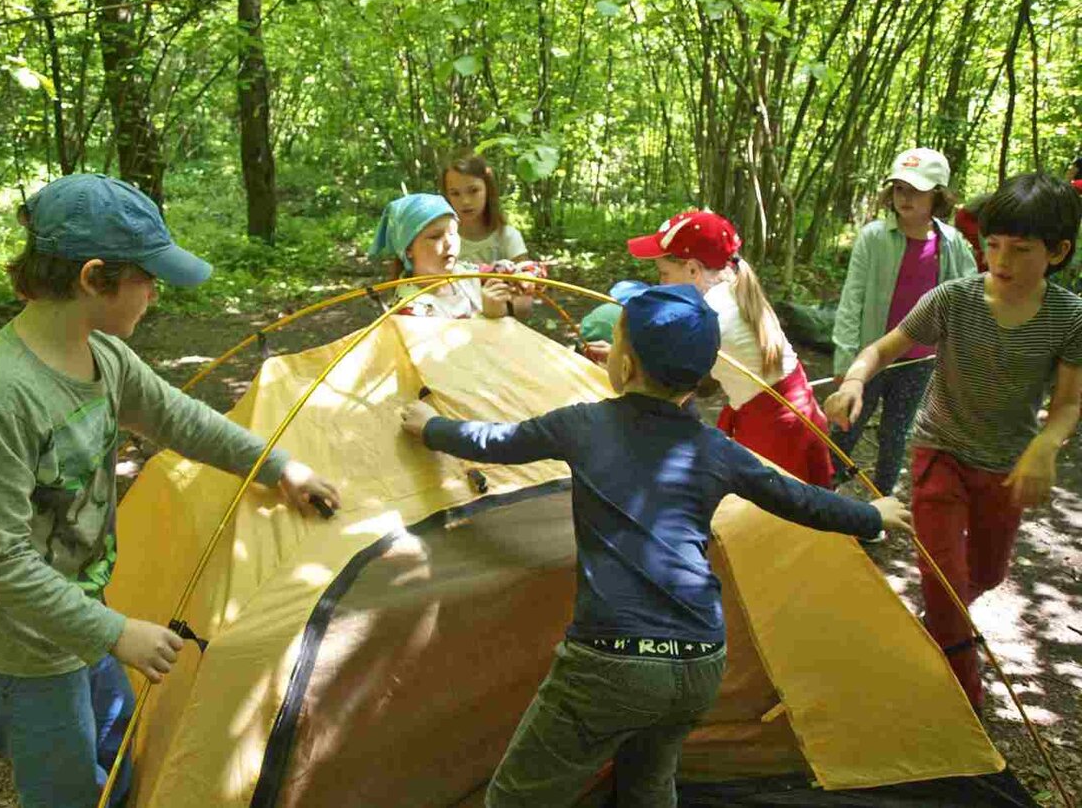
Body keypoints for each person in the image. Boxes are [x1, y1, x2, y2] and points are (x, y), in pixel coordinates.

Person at [400, 283, 914, 808]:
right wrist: (869, 515)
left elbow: (495, 442)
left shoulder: (583, 425)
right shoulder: (715, 449)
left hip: (611, 660)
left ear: (623, 367)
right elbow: (796, 498)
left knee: (516, 798)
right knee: (648, 785)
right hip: (699, 660)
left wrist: (429, 426)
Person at [0, 174, 341, 808]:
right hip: (14, 641)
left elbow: (179, 418)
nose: (155, 296)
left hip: (75, 614)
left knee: (116, 737)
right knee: (67, 786)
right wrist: (116, 632)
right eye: (148, 279)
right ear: (94, 278)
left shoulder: (102, 355)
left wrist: (277, 467)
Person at [825, 172, 1082, 710]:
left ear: (1057, 252)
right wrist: (853, 379)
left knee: (985, 574)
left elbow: (1068, 404)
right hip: (939, 451)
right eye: (992, 245)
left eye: (1020, 249)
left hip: (1003, 466)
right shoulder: (953, 299)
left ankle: (937, 624)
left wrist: (1045, 446)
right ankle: (961, 699)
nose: (1001, 261)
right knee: (943, 575)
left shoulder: (1070, 317)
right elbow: (883, 349)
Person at [584, 211, 836, 488]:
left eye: (664, 273)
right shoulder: (731, 286)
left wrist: (620, 360)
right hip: (784, 412)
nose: (660, 284)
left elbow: (667, 381)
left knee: (772, 516)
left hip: (777, 429)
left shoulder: (713, 313)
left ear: (693, 270)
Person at [831, 148, 976, 501]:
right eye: (898, 188)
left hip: (920, 362)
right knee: (845, 428)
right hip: (870, 357)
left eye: (915, 189)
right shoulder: (874, 237)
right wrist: (844, 359)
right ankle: (822, 494)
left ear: (938, 195)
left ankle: (881, 505)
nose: (904, 197)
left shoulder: (952, 244)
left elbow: (969, 301)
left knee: (896, 433)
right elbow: (852, 300)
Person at [368, 192, 521, 319]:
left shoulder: (462, 274)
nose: (449, 243)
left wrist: (521, 273)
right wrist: (490, 316)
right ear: (408, 250)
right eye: (435, 236)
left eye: (453, 233)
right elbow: (448, 352)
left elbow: (499, 271)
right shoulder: (412, 310)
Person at [441, 153, 538, 316]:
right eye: (455, 193)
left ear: (488, 189)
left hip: (501, 329)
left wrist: (498, 309)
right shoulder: (443, 240)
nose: (465, 201)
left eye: (473, 191)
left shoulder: (507, 237)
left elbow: (526, 300)